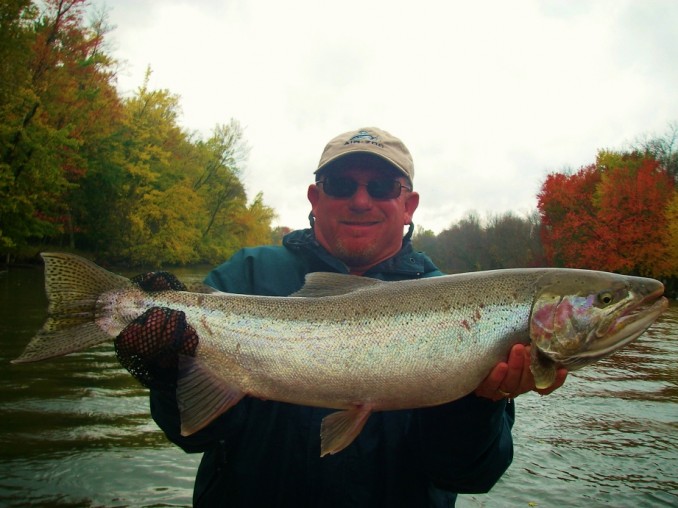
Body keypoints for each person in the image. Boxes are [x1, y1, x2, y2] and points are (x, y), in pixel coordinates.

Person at [120, 127, 567, 507]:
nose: (360, 200)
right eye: (339, 184)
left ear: (408, 204)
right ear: (315, 197)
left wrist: (477, 405)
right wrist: (169, 374)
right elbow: (194, 435)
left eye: (381, 188)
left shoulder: (461, 305)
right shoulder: (245, 276)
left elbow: (468, 476)